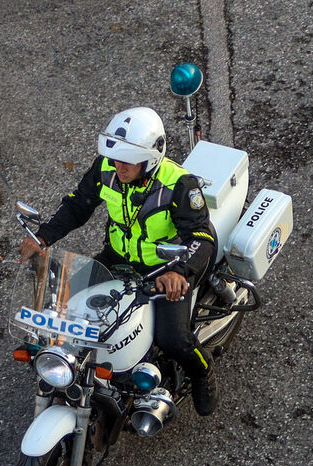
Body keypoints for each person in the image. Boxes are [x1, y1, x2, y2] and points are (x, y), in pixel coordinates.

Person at [19, 107, 220, 415]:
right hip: (116, 260)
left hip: (164, 270)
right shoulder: (106, 168)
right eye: (115, 159)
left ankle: (202, 372)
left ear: (151, 157)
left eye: (127, 161)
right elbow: (78, 206)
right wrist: (41, 238)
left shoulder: (179, 185)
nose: (118, 167)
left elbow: (201, 238)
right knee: (64, 310)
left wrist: (180, 271)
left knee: (174, 340)